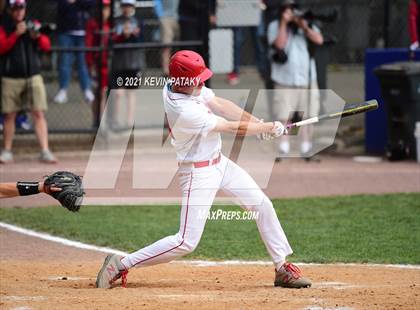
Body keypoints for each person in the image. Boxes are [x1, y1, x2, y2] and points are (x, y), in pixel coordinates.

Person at [95, 50, 312, 289]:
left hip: (219, 163)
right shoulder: (184, 110)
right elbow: (229, 127)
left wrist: (259, 124)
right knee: (186, 241)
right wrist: (268, 127)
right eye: (197, 79)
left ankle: (281, 267)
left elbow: (220, 103)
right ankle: (122, 263)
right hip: (197, 174)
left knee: (262, 205)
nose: (202, 82)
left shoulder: (181, 85)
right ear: (183, 81)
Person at [0, 0, 57, 164]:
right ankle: (7, 151)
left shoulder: (33, 23)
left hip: (33, 76)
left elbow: (47, 46)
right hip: (11, 77)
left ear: (25, 9)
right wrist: (16, 34)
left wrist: (37, 36)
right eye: (15, 8)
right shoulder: (5, 25)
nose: (18, 12)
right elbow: (2, 47)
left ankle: (45, 150)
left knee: (38, 113)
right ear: (11, 10)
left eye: (21, 8)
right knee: (9, 115)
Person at [267, 0, 323, 158]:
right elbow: (279, 44)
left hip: (306, 77)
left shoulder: (305, 23)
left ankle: (306, 146)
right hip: (284, 78)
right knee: (284, 114)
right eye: (288, 9)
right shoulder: (275, 25)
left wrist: (303, 25)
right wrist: (284, 23)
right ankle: (284, 146)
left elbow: (318, 40)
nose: (292, 12)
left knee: (308, 114)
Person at [54, 0, 95, 105]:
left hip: (82, 33)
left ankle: (86, 89)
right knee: (64, 62)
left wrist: (75, 2)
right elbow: (61, 6)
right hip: (65, 32)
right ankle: (63, 90)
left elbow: (90, 4)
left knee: (82, 63)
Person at [110, 0, 142, 128]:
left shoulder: (138, 21)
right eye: (124, 5)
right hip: (119, 64)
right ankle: (116, 120)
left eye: (128, 5)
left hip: (133, 63)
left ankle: (129, 121)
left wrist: (133, 34)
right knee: (118, 93)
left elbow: (141, 40)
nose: (126, 8)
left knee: (131, 93)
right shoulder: (115, 21)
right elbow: (112, 40)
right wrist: (123, 34)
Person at [86, 0, 111, 125]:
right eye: (102, 7)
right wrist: (90, 65)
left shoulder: (111, 24)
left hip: (110, 66)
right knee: (99, 94)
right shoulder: (93, 24)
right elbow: (89, 46)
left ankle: (103, 122)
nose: (104, 11)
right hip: (98, 66)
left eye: (106, 8)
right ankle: (98, 121)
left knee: (106, 93)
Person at [154, 0, 180, 76]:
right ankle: (166, 70)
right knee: (166, 45)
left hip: (179, 18)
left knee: (180, 45)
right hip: (166, 18)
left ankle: (180, 68)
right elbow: (157, 2)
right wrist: (160, 15)